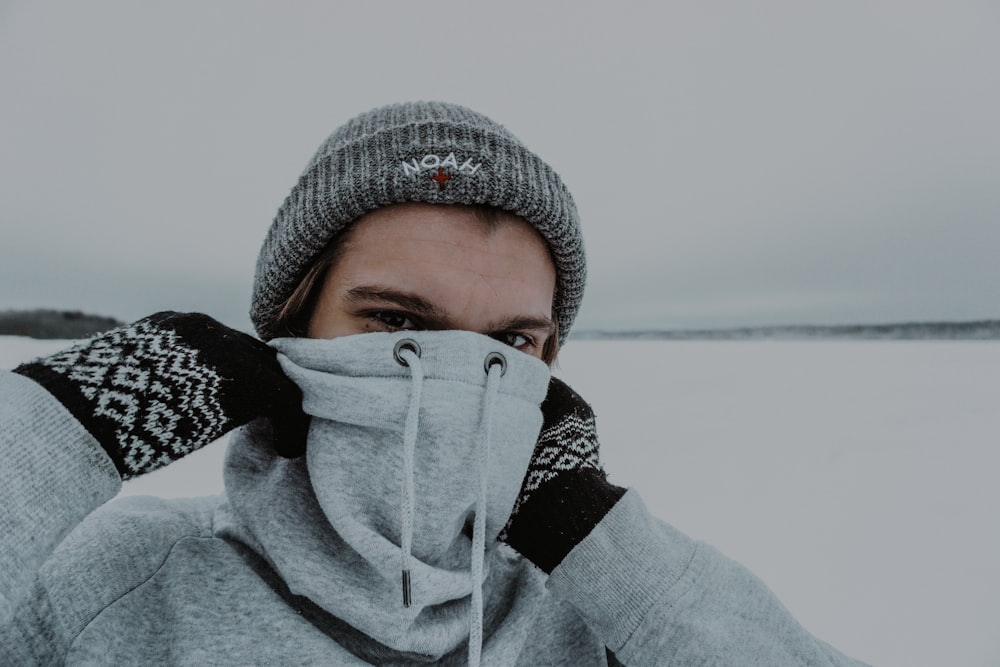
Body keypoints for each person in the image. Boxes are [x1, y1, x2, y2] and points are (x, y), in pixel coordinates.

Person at [0, 101, 870, 666]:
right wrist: (56, 430)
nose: (457, 379)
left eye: (508, 345)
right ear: (294, 333)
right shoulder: (119, 587)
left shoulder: (598, 611)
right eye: (398, 325)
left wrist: (603, 544)